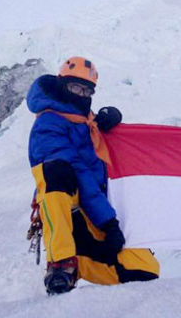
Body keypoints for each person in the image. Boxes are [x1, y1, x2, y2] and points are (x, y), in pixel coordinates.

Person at [26, 56, 159, 294]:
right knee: (58, 172)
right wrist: (108, 223)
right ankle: (60, 264)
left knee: (145, 270)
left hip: (94, 210)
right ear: (61, 84)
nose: (80, 94)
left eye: (86, 90)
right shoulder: (48, 122)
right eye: (75, 87)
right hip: (72, 208)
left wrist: (110, 121)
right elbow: (78, 170)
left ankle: (78, 263)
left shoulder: (86, 122)